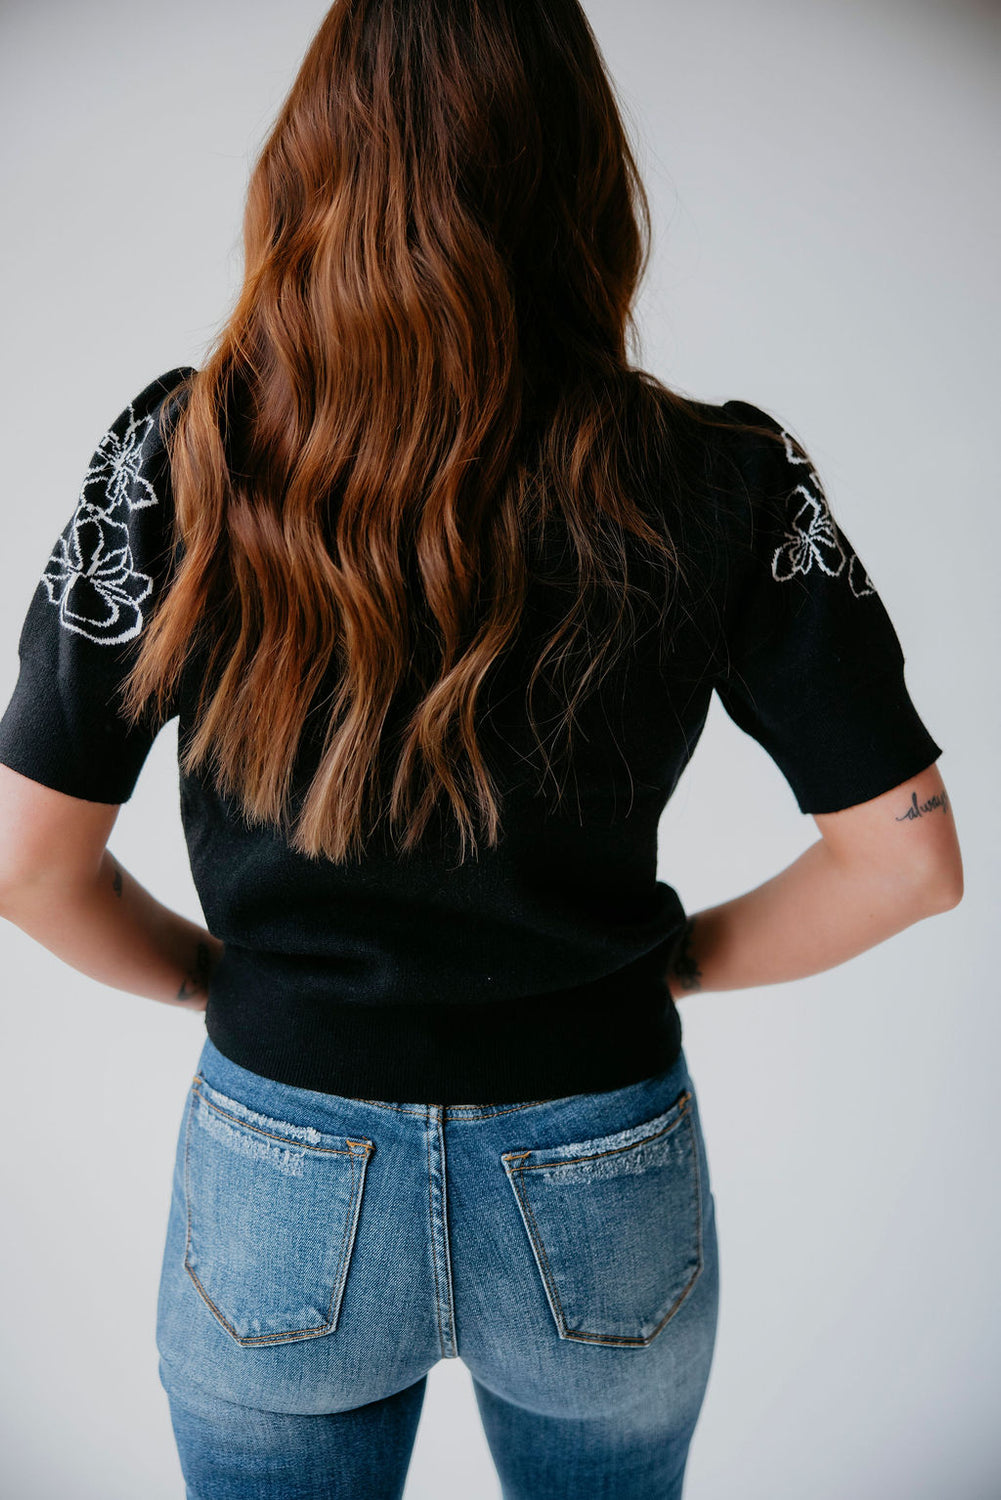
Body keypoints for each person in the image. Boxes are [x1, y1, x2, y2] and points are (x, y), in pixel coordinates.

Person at [0, 2, 962, 1497]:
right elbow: (904, 864)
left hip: (282, 1166)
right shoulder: (726, 479)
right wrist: (663, 965)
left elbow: (25, 865)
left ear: (312, 166)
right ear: (585, 180)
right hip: (601, 1168)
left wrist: (227, 982)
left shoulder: (180, 454)